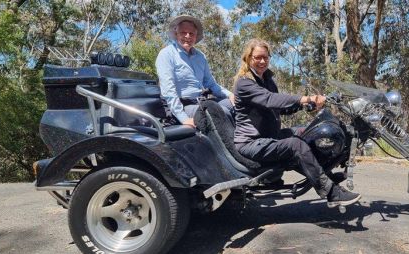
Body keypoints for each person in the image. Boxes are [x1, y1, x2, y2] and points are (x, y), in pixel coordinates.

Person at [232, 39, 361, 207]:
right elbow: (270, 100)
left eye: (266, 57)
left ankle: (324, 176)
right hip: (251, 143)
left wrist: (307, 105)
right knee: (295, 145)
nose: (262, 61)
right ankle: (330, 192)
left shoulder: (268, 80)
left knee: (307, 132)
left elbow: (280, 109)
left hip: (270, 136)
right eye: (257, 57)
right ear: (248, 58)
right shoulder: (244, 83)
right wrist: (304, 98)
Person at [155, 14, 234, 127]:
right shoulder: (166, 54)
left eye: (191, 33)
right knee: (220, 112)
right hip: (183, 106)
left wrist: (230, 95)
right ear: (176, 34)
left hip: (201, 102)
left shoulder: (200, 57)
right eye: (183, 32)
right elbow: (169, 91)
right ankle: (230, 144)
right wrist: (184, 118)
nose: (188, 36)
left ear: (196, 37)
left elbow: (211, 83)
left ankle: (249, 140)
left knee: (237, 104)